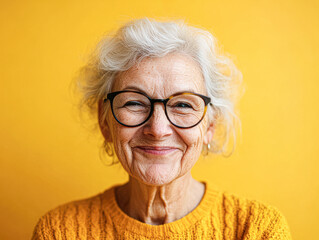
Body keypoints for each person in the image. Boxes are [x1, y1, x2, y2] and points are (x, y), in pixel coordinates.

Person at [32, 18, 292, 239]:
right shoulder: (60, 231)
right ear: (105, 121)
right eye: (134, 102)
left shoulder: (257, 230)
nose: (157, 129)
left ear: (209, 125)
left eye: (182, 105)